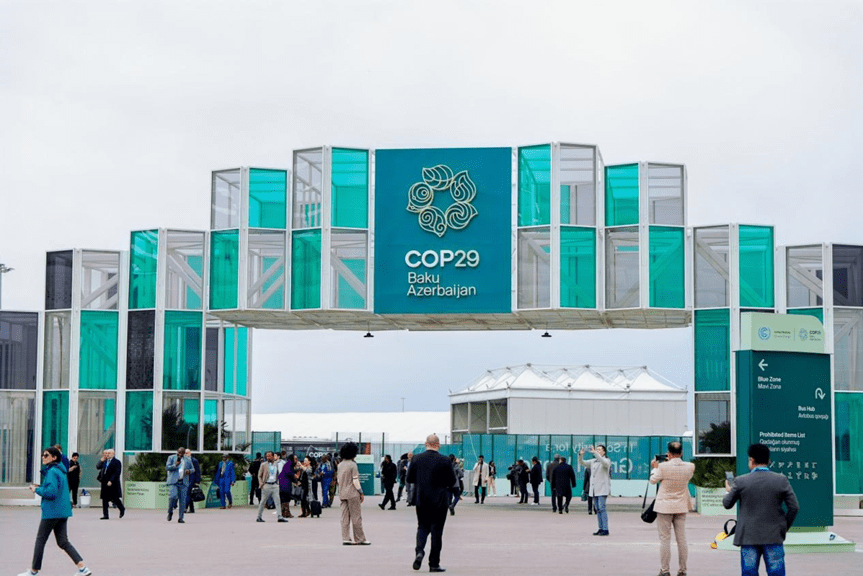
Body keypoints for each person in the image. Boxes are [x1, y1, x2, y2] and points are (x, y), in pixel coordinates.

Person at [723, 443, 799, 576]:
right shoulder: (781, 480)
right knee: (776, 572)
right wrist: (783, 527)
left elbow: (727, 504)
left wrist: (729, 491)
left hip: (748, 536)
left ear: (751, 459)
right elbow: (794, 507)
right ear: (768, 460)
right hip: (774, 535)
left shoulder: (741, 481)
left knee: (749, 572)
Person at [20, 446, 92, 576]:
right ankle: (83, 567)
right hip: (63, 512)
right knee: (63, 542)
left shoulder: (52, 471)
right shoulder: (60, 471)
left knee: (40, 540)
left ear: (54, 457)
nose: (43, 457)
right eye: (43, 455)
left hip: (52, 512)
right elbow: (56, 489)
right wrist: (41, 487)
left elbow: (51, 492)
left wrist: (36, 489)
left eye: (46, 455)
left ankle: (34, 571)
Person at [407, 434, 458, 573]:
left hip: (422, 499)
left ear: (426, 444)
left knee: (422, 527)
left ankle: (419, 551)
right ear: (438, 445)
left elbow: (409, 478)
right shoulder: (445, 460)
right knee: (437, 532)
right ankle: (434, 563)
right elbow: (452, 480)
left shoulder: (416, 459)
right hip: (440, 501)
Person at [650, 441, 696, 576]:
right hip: (681, 506)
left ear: (668, 453)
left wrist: (655, 468)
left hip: (664, 507)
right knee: (681, 539)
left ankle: (665, 571)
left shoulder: (662, 467)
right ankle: (682, 570)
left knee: (665, 539)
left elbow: (653, 480)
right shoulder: (690, 466)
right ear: (681, 453)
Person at [337, 441, 369, 545]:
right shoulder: (353, 465)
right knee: (356, 517)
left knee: (344, 517)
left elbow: (339, 480)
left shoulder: (340, 465)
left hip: (342, 493)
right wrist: (361, 492)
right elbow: (355, 481)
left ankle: (346, 538)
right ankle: (360, 539)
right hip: (352, 494)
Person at [579, 444, 611, 536]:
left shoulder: (606, 460)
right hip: (594, 489)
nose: (597, 451)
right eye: (597, 449)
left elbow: (604, 462)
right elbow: (582, 462)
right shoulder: (593, 461)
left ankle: (605, 529)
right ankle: (601, 528)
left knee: (602, 508)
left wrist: (595, 453)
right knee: (598, 509)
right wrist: (581, 455)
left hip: (602, 489)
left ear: (604, 452)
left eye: (599, 449)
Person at [256, 451, 288, 523]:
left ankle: (279, 516)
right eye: (267, 456)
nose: (268, 457)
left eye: (270, 456)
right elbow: (259, 475)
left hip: (275, 485)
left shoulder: (276, 464)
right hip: (266, 485)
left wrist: (278, 483)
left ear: (273, 456)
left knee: (277, 501)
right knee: (263, 502)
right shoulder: (263, 465)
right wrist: (261, 484)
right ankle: (259, 516)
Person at [96, 448, 125, 520]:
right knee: (104, 499)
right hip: (104, 482)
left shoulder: (117, 462)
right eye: (106, 453)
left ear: (113, 454)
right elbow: (98, 467)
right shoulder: (105, 461)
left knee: (115, 498)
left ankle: (122, 509)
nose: (107, 455)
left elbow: (116, 473)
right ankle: (105, 515)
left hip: (113, 483)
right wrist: (101, 460)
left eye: (109, 453)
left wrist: (111, 480)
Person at [165, 447, 190, 523]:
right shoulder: (171, 458)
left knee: (182, 501)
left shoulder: (187, 459)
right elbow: (167, 467)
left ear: (184, 453)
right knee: (173, 497)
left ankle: (181, 518)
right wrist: (175, 465)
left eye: (181, 453)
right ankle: (170, 511)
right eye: (179, 452)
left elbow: (193, 469)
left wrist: (189, 471)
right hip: (173, 482)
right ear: (177, 452)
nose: (180, 454)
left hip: (183, 482)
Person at [278, 452, 294, 519]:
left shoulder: (287, 464)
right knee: (286, 498)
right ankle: (286, 513)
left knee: (284, 499)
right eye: (295, 459)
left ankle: (284, 512)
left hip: (283, 483)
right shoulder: (289, 465)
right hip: (285, 484)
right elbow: (289, 473)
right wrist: (295, 478)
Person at [184, 449, 201, 514]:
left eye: (187, 453)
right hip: (185, 478)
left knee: (187, 493)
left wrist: (197, 481)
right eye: (185, 453)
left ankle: (185, 507)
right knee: (189, 494)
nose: (186, 454)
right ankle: (192, 509)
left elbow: (197, 471)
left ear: (190, 453)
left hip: (192, 479)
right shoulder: (183, 460)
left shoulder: (194, 460)